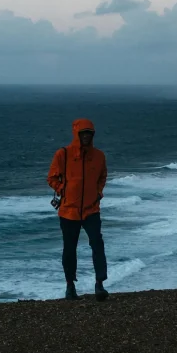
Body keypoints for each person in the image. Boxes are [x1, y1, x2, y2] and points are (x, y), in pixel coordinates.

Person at [47, 118, 109, 301]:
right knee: (69, 249)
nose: (86, 136)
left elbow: (103, 176)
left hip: (91, 209)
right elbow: (51, 178)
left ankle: (99, 284)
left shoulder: (99, 156)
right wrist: (62, 190)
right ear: (77, 134)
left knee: (97, 243)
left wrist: (98, 193)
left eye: (89, 133)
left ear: (93, 135)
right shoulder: (63, 154)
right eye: (83, 133)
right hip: (68, 211)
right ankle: (70, 286)